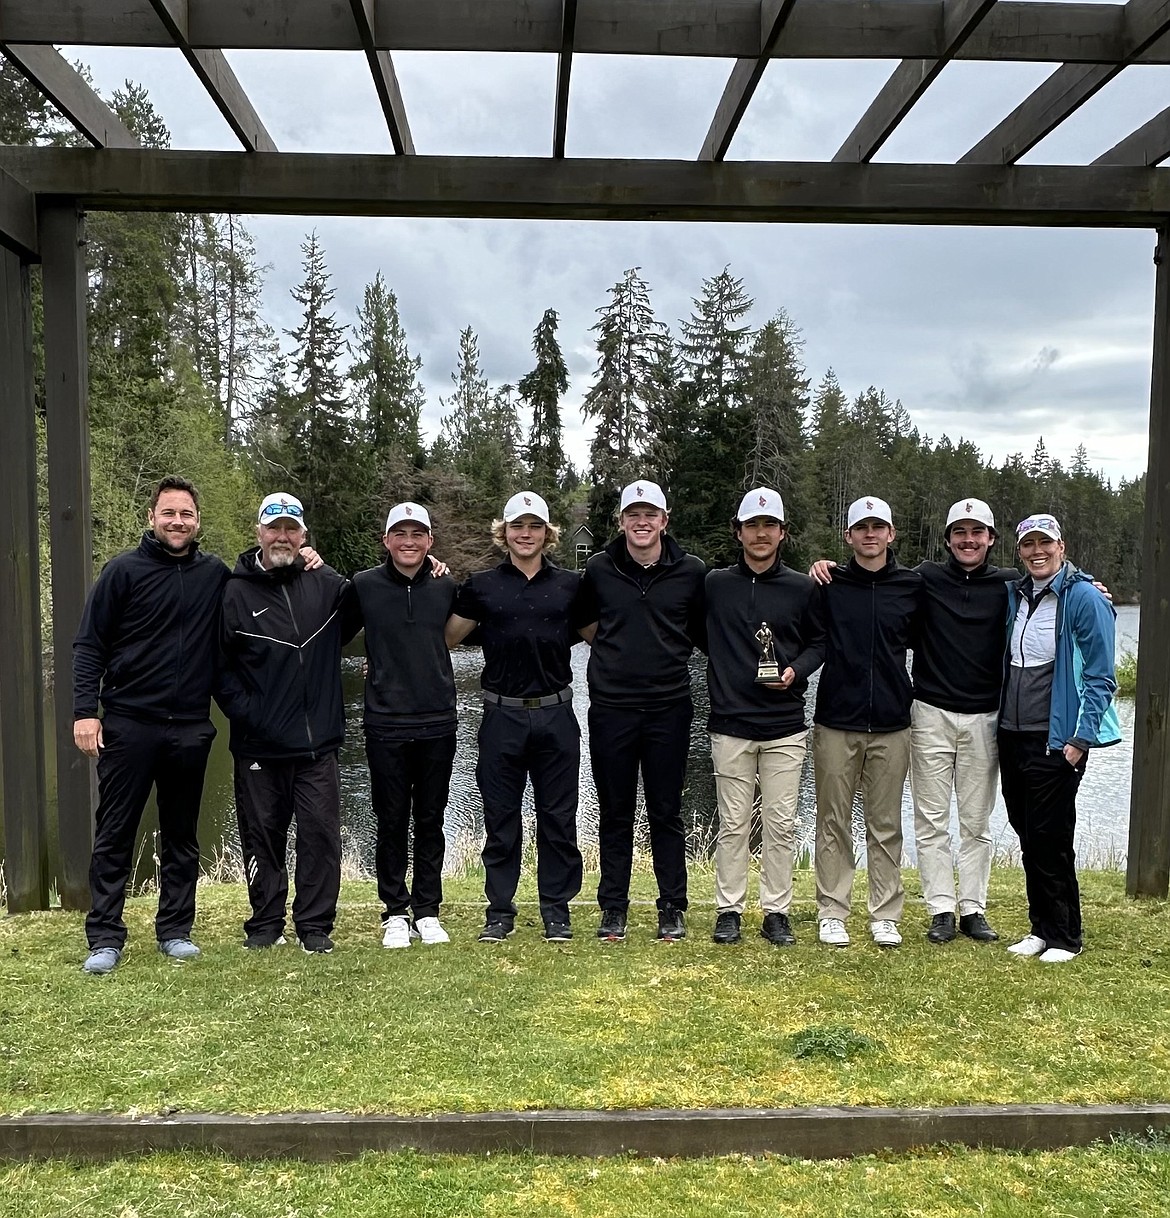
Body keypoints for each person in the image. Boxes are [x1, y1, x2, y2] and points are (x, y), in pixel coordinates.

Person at [72, 476, 229, 975]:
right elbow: (89, 646)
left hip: (189, 727)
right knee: (115, 832)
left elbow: (264, 578)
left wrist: (308, 559)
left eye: (186, 514)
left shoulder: (215, 575)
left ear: (197, 521)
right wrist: (84, 712)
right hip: (128, 724)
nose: (177, 522)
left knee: (181, 834)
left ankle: (175, 929)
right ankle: (105, 937)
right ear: (152, 518)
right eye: (168, 514)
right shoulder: (123, 572)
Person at [217, 493, 358, 954]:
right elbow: (220, 669)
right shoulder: (234, 591)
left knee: (320, 836)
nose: (283, 537)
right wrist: (250, 715)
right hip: (259, 747)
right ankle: (265, 923)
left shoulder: (325, 585)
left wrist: (327, 568)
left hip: (317, 746)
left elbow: (364, 601)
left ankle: (314, 926)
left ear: (303, 536)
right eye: (274, 528)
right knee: (262, 838)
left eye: (291, 529)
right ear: (258, 532)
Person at [445, 491, 585, 943]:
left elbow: (606, 639)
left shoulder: (570, 586)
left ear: (548, 534)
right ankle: (499, 911)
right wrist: (387, 659)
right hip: (501, 716)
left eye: (534, 526)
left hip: (556, 714)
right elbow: (443, 639)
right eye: (516, 526)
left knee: (558, 818)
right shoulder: (482, 585)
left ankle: (556, 911)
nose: (525, 534)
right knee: (500, 819)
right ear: (503, 533)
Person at [575, 479, 707, 942]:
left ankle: (672, 906)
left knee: (666, 811)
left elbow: (702, 630)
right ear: (622, 521)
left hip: (669, 708)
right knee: (615, 811)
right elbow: (586, 622)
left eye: (650, 514)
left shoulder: (691, 571)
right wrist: (616, 653)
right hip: (611, 708)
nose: (642, 522)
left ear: (664, 521)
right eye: (633, 514)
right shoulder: (599, 568)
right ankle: (614, 907)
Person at [704, 488, 825, 946]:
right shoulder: (715, 584)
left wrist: (795, 671)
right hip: (730, 724)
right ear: (738, 532)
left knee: (782, 823)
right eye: (751, 525)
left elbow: (819, 641)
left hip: (785, 726)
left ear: (782, 533)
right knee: (732, 824)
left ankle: (776, 910)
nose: (760, 533)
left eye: (768, 525)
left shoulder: (803, 587)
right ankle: (729, 909)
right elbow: (698, 631)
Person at [999, 513, 1120, 963]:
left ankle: (1066, 935)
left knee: (1052, 837)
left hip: (1057, 740)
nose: (1037, 551)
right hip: (1012, 736)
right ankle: (1039, 927)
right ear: (1019, 551)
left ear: (1061, 547)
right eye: (1028, 544)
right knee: (1027, 832)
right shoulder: (1015, 595)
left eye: (1044, 543)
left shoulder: (1084, 598)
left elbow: (1101, 677)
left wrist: (1080, 739)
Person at [905, 498, 1017, 945]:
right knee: (931, 819)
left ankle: (973, 907)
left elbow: (1058, 585)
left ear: (991, 539)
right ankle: (940, 909)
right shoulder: (925, 578)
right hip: (929, 712)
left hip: (985, 718)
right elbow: (875, 579)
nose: (968, 541)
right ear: (948, 538)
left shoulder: (1009, 584)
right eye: (959, 533)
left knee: (976, 821)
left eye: (977, 533)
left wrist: (1092, 587)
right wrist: (824, 568)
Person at [812, 495, 922, 949]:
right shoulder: (828, 583)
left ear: (891, 534)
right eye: (862, 528)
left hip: (894, 723)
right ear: (849, 536)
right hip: (837, 721)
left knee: (885, 823)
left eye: (879, 527)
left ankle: (884, 914)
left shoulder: (912, 586)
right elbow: (811, 639)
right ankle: (833, 910)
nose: (870, 534)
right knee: (833, 819)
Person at [353, 502, 457, 949]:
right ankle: (395, 911)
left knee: (431, 820)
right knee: (391, 819)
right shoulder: (363, 586)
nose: (409, 541)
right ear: (386, 541)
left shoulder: (447, 585)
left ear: (430, 541)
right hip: (385, 724)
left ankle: (428, 909)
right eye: (401, 533)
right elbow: (325, 625)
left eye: (418, 534)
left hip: (438, 721)